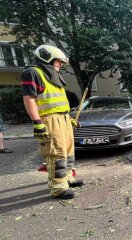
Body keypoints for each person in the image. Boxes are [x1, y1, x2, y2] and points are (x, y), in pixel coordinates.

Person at [21, 44, 85, 200]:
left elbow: (58, 103)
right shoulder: (33, 73)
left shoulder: (54, 77)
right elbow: (29, 99)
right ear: (47, 58)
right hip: (49, 120)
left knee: (68, 152)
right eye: (58, 61)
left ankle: (67, 179)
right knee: (56, 153)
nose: (60, 64)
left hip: (62, 119)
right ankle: (58, 188)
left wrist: (69, 119)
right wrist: (37, 122)